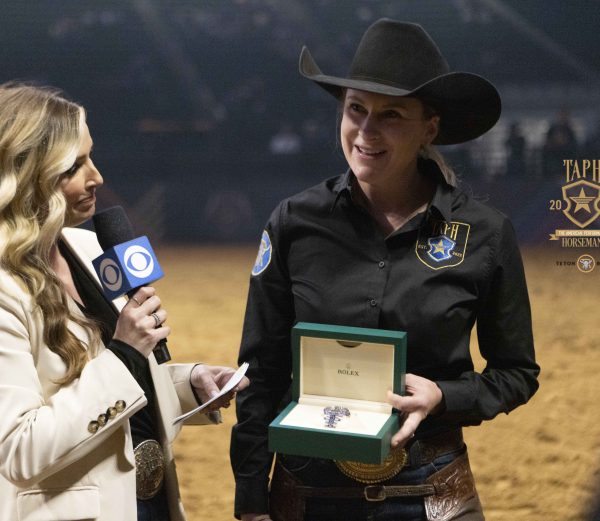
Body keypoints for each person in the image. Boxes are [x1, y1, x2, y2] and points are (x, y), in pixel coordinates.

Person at [230, 19, 539, 521]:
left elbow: (517, 374)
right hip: (306, 494)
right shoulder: (293, 222)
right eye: (356, 109)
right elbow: (260, 372)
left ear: (429, 129)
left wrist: (445, 396)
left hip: (433, 492)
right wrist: (249, 499)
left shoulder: (486, 233)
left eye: (391, 115)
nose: (366, 131)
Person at [0, 83, 249, 521]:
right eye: (75, 166)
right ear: (29, 175)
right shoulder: (5, 288)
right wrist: (127, 352)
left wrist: (186, 386)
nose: (96, 177)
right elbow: (20, 450)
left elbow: (113, 385)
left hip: (145, 504)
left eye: (91, 157)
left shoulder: (89, 248)